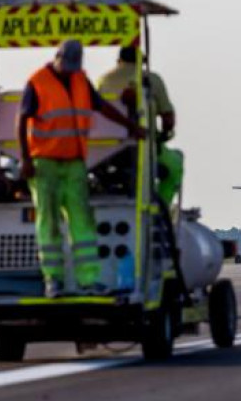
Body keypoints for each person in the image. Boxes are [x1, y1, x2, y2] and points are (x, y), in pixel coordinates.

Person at [18, 40, 146, 297]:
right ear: (57, 57)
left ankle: (88, 280)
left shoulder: (80, 80)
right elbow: (22, 120)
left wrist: (129, 126)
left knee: (82, 221)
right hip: (45, 163)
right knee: (49, 221)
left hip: (75, 161)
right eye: (66, 65)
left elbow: (101, 106)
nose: (69, 70)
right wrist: (26, 159)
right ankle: (53, 280)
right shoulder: (37, 82)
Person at [98, 46, 183, 206]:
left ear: (119, 61)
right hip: (143, 148)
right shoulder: (150, 79)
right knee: (175, 165)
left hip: (105, 153)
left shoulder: (103, 80)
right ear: (142, 61)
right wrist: (165, 133)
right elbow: (168, 119)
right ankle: (161, 207)